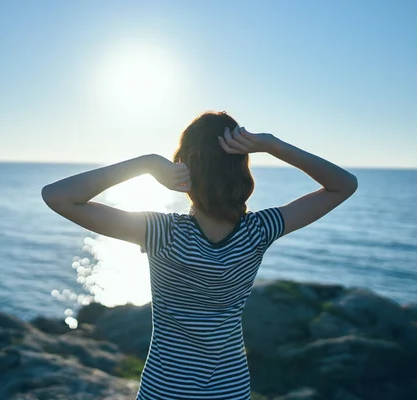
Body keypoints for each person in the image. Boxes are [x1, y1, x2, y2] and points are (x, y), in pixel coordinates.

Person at [41, 111, 358, 400]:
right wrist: (273, 146)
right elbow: (343, 185)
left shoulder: (161, 232)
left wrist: (147, 163)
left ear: (184, 169)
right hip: (230, 392)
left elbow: (58, 196)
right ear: (241, 170)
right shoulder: (260, 230)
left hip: (164, 392)